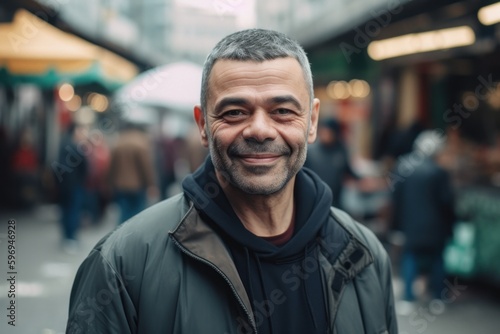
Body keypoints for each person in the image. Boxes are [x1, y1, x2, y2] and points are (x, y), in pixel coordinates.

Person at [67, 29, 397, 334]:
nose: (259, 130)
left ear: (311, 122)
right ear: (202, 125)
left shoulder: (365, 255)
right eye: (235, 112)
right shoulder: (123, 264)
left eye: (282, 110)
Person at [391, 130, 455, 304]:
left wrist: (395, 224)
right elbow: (446, 201)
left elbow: (395, 198)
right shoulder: (438, 172)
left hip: (410, 223)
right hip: (435, 225)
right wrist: (451, 224)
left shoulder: (403, 166)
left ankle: (408, 297)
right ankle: (437, 296)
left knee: (409, 256)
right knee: (437, 258)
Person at [108, 122, 158, 224]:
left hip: (120, 185)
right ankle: (134, 237)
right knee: (138, 214)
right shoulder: (141, 142)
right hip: (138, 185)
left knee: (123, 212)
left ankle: (121, 235)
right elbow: (146, 167)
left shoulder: (118, 142)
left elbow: (112, 165)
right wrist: (151, 184)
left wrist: (109, 182)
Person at [305, 118, 360, 209]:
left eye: (328, 132)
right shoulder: (311, 152)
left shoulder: (341, 150)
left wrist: (361, 180)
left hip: (336, 201)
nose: (325, 135)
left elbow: (347, 170)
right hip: (314, 200)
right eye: (323, 131)